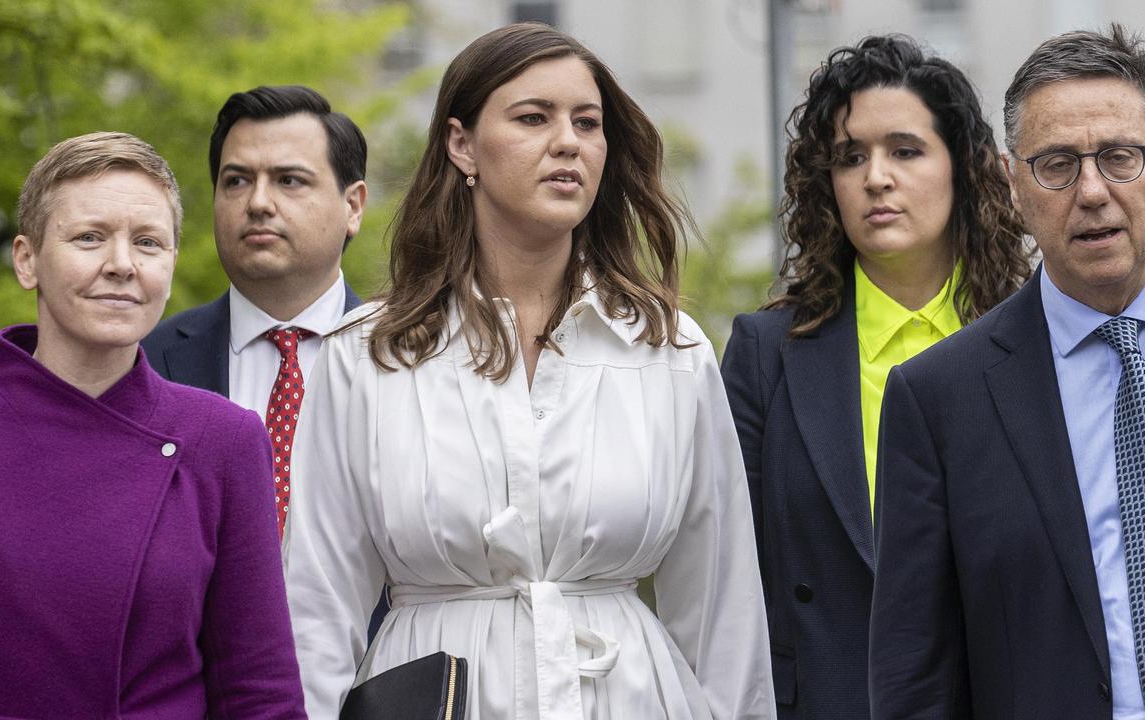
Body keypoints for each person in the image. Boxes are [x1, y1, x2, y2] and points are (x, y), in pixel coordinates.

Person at [282, 21, 774, 720]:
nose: (568, 141)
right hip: (434, 696)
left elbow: (724, 612)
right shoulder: (366, 355)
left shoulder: (671, 352)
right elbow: (315, 607)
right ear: (462, 145)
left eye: (588, 122)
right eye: (533, 117)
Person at [0, 132, 305, 718]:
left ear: (171, 264)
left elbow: (259, 691)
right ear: (27, 260)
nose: (121, 265)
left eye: (148, 243)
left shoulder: (221, 439)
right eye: (90, 238)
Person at [718, 35, 1030, 718]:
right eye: (850, 156)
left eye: (905, 150)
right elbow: (728, 579)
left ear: (967, 168)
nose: (875, 177)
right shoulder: (764, 353)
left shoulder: (1036, 342)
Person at [869, 25, 1145, 719]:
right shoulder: (939, 399)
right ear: (1011, 182)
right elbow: (915, 674)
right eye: (1056, 163)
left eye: (1120, 158)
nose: (1091, 191)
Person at [141, 84, 366, 538]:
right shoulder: (144, 360)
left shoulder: (411, 359)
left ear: (353, 206)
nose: (258, 203)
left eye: (289, 180)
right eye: (237, 181)